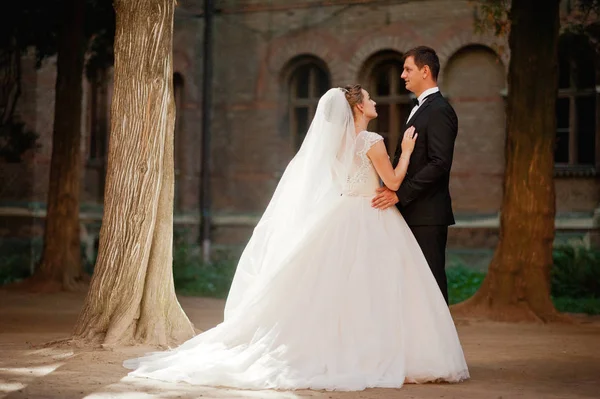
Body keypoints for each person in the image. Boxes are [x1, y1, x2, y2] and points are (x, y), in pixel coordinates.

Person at [124, 85, 469, 391]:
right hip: (371, 214)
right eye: (368, 98)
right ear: (358, 108)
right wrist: (407, 152)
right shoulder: (371, 141)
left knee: (336, 288)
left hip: (342, 214)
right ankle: (376, 350)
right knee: (373, 287)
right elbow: (392, 183)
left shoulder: (337, 145)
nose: (375, 100)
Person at [372, 46, 458, 304]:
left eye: (407, 69)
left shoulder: (440, 110)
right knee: (412, 285)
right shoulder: (421, 108)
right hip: (412, 212)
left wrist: (400, 194)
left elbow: (440, 163)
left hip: (428, 215)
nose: (402, 75)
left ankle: (441, 343)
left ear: (425, 71)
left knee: (431, 284)